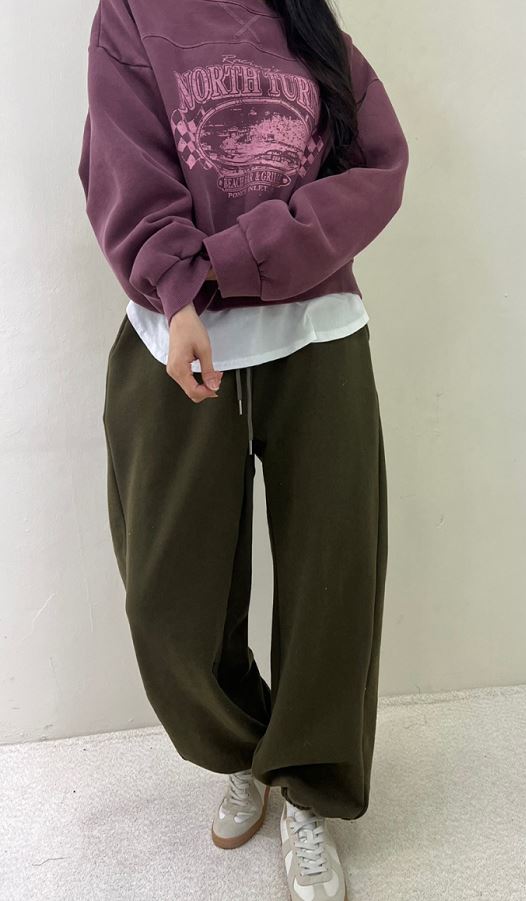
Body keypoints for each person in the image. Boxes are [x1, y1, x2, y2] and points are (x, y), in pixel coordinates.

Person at [78, 0, 409, 896]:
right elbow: (123, 161)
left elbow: (377, 166)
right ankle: (246, 751)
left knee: (333, 579)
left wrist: (233, 259)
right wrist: (180, 287)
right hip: (181, 336)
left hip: (319, 331)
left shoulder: (309, 23)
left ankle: (306, 785)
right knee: (170, 597)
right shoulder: (133, 14)